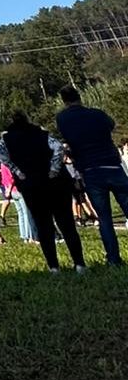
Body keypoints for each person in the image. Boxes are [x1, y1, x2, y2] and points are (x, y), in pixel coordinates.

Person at [0, 111, 87, 273]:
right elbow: (58, 148)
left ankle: (53, 267)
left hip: (31, 184)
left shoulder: (7, 139)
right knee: (67, 224)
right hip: (56, 183)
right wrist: (54, 169)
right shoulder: (41, 133)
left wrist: (16, 170)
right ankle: (79, 264)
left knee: (43, 226)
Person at [56, 85, 128, 267]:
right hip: (112, 165)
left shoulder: (63, 118)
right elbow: (111, 125)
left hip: (90, 171)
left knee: (104, 217)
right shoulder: (97, 114)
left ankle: (113, 258)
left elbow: (67, 138)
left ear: (64, 101)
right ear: (79, 97)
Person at [0, 161, 36, 244]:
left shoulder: (2, 164)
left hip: (11, 191)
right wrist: (9, 188)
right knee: (26, 213)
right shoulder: (10, 164)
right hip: (17, 189)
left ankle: (23, 235)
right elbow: (12, 178)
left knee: (20, 213)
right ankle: (28, 235)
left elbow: (4, 179)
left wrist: (7, 189)